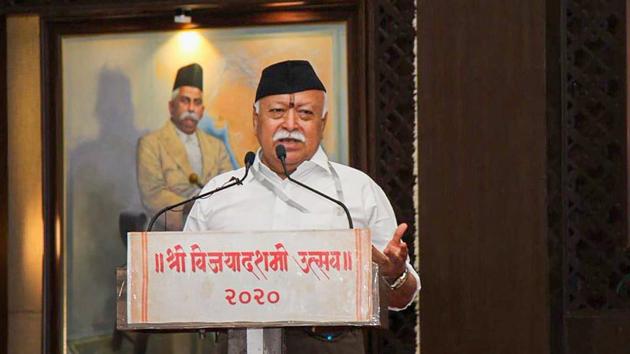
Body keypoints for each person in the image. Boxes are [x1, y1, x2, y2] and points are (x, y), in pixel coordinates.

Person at [184, 60, 420, 353]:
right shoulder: (218, 193)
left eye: (305, 113)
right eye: (277, 112)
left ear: (322, 123)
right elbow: (183, 289)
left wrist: (393, 275)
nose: (291, 125)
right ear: (255, 119)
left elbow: (401, 299)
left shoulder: (357, 190)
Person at [137, 63, 232, 230]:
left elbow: (228, 189)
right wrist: (191, 206)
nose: (191, 108)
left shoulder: (217, 147)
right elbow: (152, 194)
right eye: (185, 101)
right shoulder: (151, 144)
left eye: (196, 103)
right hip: (167, 236)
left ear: (202, 111)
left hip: (211, 232)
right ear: (171, 106)